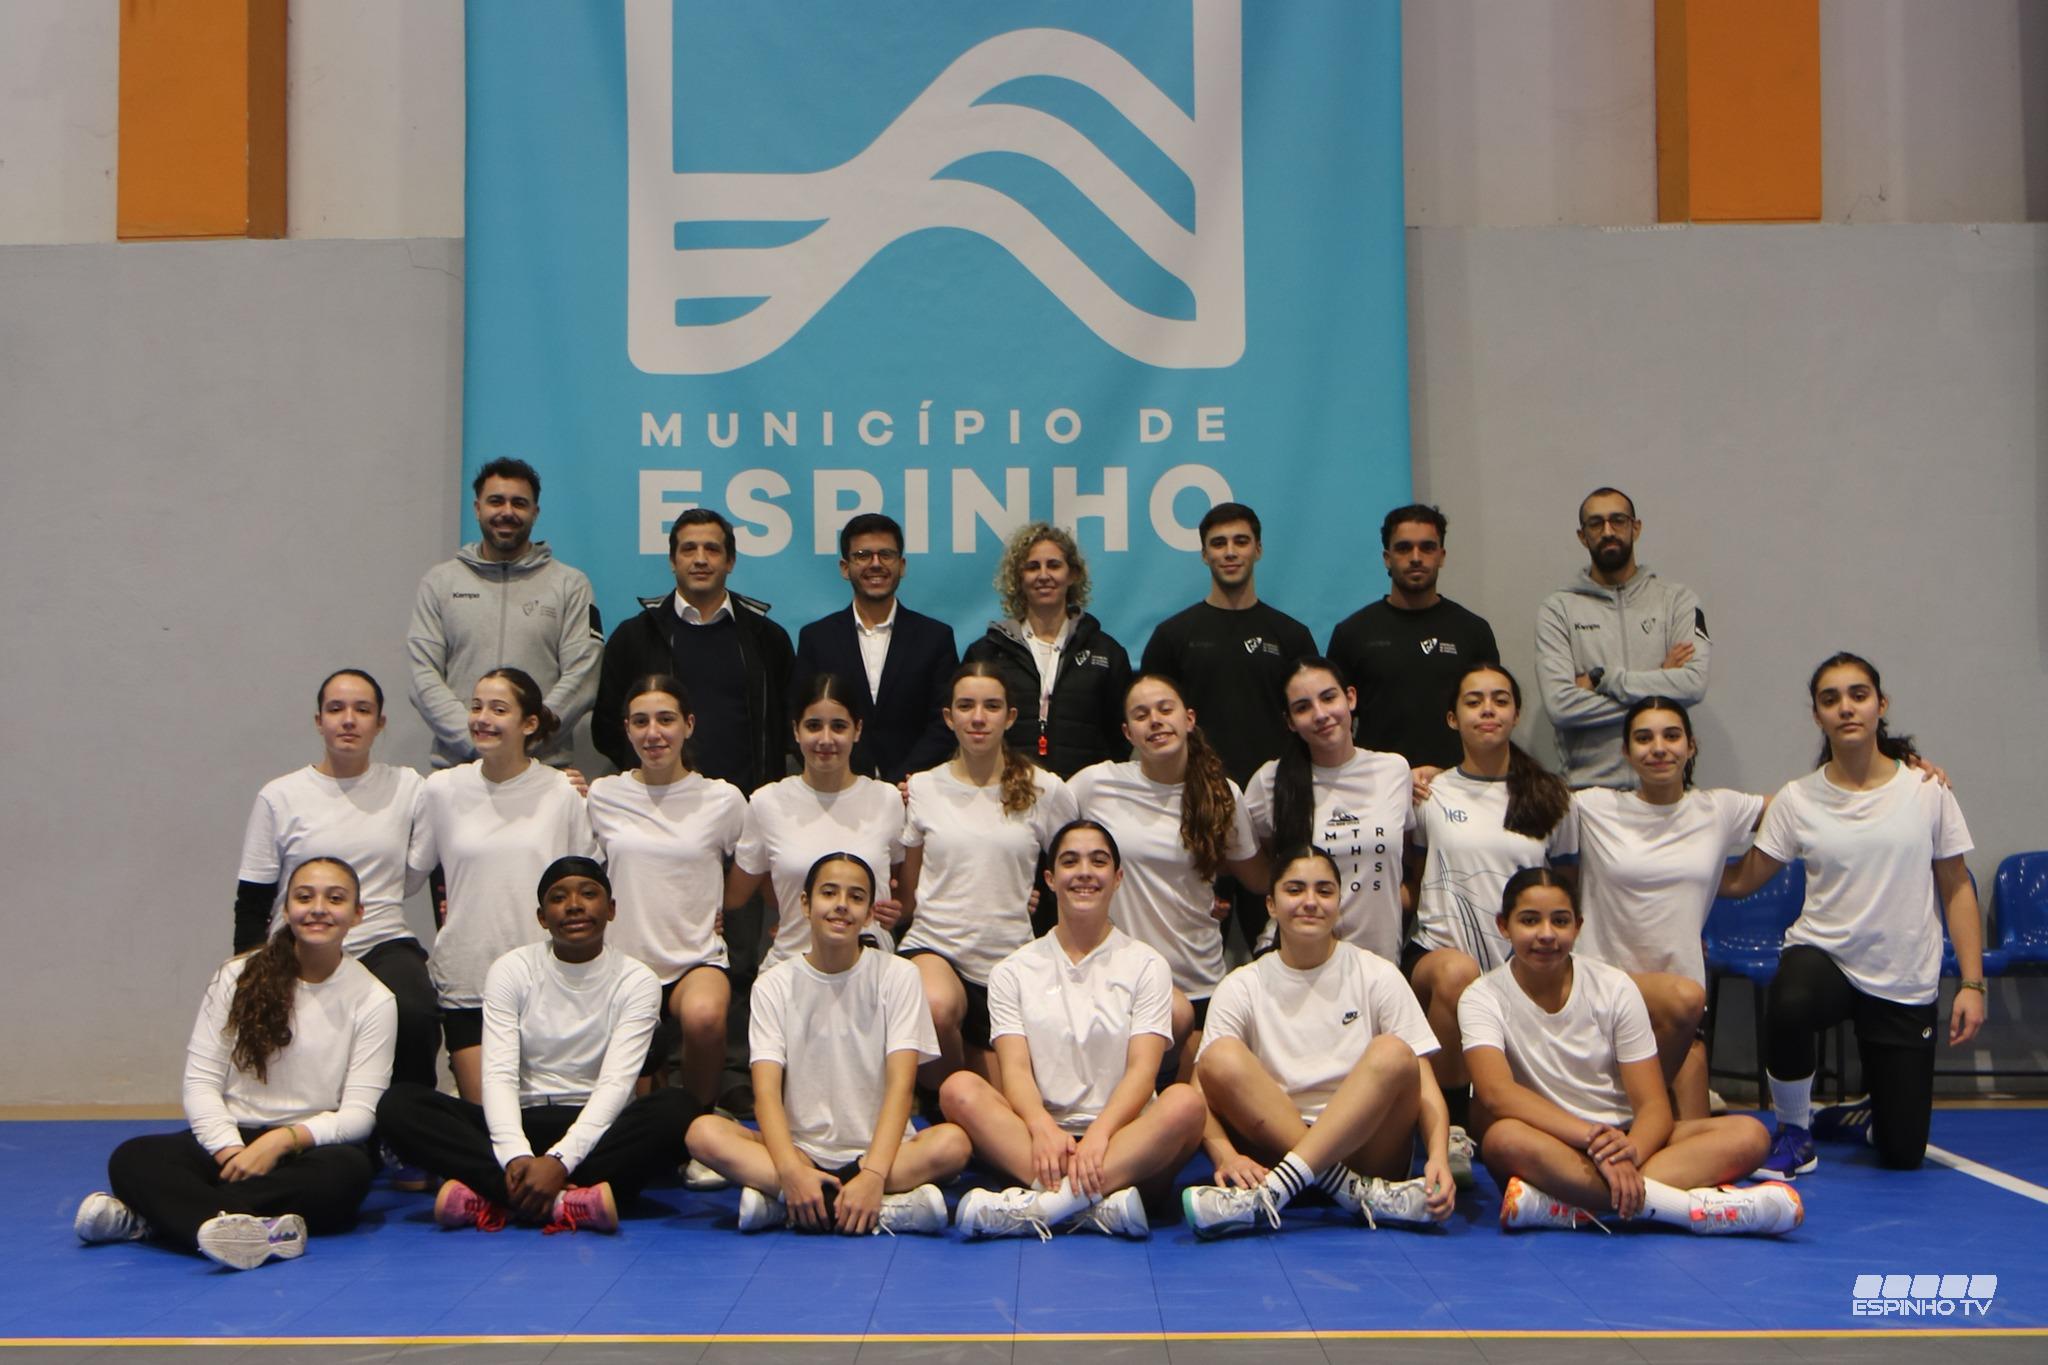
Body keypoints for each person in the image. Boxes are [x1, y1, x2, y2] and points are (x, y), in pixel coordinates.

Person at [1721, 652, 1986, 1178]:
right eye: (1830, 699)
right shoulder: (1798, 798)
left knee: (1902, 1154)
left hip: (1903, 974)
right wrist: (1672, 864)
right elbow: (1743, 878)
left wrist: (1973, 985)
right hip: (1826, 956)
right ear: (1817, 715)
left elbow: (1956, 885)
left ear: (1880, 705)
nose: (1846, 707)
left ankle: (1861, 1115)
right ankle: (1795, 1132)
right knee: (1790, 1000)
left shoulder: (1927, 790)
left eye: (1858, 695)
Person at [77, 858, 396, 1270]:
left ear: (357, 914)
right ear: (286, 910)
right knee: (133, 1157)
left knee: (344, 1178)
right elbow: (201, 1083)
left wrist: (279, 1142)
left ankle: (158, 1220)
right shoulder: (237, 976)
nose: (318, 909)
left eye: (335, 899)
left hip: (306, 1147)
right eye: (304, 897)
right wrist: (230, 1151)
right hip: (229, 1140)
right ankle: (255, 1230)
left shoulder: (374, 999)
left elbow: (359, 1115)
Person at [1461, 867, 1802, 1235]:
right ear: (1503, 925)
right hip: (1555, 1141)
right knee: (1503, 1140)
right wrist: (1592, 1139)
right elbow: (1497, 1093)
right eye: (1530, 920)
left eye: (1560, 921)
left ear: (1577, 926)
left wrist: (1629, 1152)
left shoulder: (1614, 987)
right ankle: (1688, 1209)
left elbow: (1653, 1106)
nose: (1546, 934)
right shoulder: (1482, 996)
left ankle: (1573, 1207)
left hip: (1623, 1140)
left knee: (1750, 1135)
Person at [377, 858, 699, 1234]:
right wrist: (515, 1154)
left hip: (599, 1130)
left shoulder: (637, 980)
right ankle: (562, 1201)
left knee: (678, 1108)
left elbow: (616, 1084)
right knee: (399, 1106)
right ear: (542, 918)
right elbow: (498, 1075)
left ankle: (498, 1195)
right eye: (558, 898)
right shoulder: (511, 969)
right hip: (523, 1121)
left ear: (611, 909)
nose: (574, 905)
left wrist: (559, 1161)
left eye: (588, 894)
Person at [940, 821, 1209, 1239]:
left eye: (1098, 862)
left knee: (1185, 1103)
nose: (1084, 872)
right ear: (1050, 879)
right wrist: (1042, 1127)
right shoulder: (1013, 970)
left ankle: (1048, 1207)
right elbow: (1015, 1070)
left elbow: (1143, 1071)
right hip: (1044, 1144)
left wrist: (1101, 1134)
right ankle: (1098, 1207)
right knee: (958, 1088)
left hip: (1125, 1139)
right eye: (1070, 862)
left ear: (1117, 878)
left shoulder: (1147, 965)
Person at [686, 853, 968, 1234]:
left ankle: (796, 1204)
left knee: (953, 1144)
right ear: (805, 904)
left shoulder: (899, 976)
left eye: (856, 897)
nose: (841, 905)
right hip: (801, 1152)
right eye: (829, 893)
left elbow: (901, 1087)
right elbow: (766, 1093)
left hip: (883, 1153)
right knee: (703, 1133)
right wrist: (790, 1169)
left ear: (869, 914)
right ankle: (863, 1204)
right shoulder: (773, 984)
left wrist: (873, 1173)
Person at [1182, 848, 1453, 1238]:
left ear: (1339, 904)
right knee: (1219, 1056)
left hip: (1368, 1152)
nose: (1310, 901)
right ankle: (1349, 1191)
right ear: (1271, 905)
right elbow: (1199, 1093)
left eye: (1324, 891)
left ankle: (1271, 1195)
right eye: (1295, 890)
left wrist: (1439, 1155)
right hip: (1272, 1151)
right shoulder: (1241, 984)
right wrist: (1226, 1155)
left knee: (1395, 1052)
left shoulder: (1378, 974)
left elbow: (1424, 1083)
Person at [1405, 663, 1575, 1172]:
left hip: (1523, 962)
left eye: (1500, 700)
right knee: (1458, 973)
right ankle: (1450, 1125)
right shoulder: (1428, 792)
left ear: (1516, 714)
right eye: (1474, 701)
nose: (1488, 710)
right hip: (1438, 956)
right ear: (1453, 718)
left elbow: (1567, 887)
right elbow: (1415, 874)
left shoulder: (1551, 797)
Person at [235, 669, 436, 1090]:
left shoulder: (409, 788)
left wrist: (557, 780)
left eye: (362, 710)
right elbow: (253, 898)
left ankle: (407, 1118)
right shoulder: (280, 795)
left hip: (382, 940)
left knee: (415, 1013)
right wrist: (247, 972)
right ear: (319, 721)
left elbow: (418, 871)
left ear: (380, 723)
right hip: (299, 944)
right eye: (336, 709)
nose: (348, 720)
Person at [410, 667, 595, 1102]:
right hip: (467, 973)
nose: (482, 719)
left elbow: (588, 883)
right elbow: (408, 873)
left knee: (542, 1111)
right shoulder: (441, 789)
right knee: (486, 1116)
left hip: (546, 976)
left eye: (498, 709)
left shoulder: (562, 791)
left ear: (528, 723)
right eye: (476, 707)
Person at [1572, 698, 1760, 1120]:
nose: (1658, 748)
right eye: (1644, 738)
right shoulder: (1593, 807)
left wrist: (1898, 769)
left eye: (1671, 736)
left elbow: (1803, 807)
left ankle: (1632, 1122)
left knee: (1712, 1137)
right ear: (1626, 752)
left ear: (1691, 746)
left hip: (1680, 1007)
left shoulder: (1719, 809)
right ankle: (1632, 1117)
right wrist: (1433, 779)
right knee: (1656, 1112)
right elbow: (1511, 799)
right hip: (1604, 991)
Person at [1069, 675, 1266, 1073]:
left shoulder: (1223, 794)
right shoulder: (1095, 784)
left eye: (1165, 709)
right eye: (1141, 715)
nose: (1155, 720)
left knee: (1192, 1102)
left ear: (1188, 719)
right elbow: (1040, 838)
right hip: (1117, 984)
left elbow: (1258, 879)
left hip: (1200, 980)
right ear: (1128, 732)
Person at [1140, 502, 1313, 946]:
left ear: (1258, 549)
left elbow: (1311, 724)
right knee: (1189, 948)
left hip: (1273, 812)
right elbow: (1148, 725)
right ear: (1204, 554)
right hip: (1196, 813)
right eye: (1218, 544)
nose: (1230, 552)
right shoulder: (1173, 637)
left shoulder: (1290, 636)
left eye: (1240, 541)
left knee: (1283, 947)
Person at [898, 663, 1078, 1089]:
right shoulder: (922, 788)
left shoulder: (1045, 789)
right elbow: (908, 888)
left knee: (1013, 1098)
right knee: (935, 1005)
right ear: (949, 717)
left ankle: (968, 1092)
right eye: (966, 706)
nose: (978, 718)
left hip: (1010, 960)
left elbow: (1075, 865)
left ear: (1010, 717)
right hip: (936, 948)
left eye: (991, 706)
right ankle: (944, 1099)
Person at [585, 675, 746, 1108]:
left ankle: (697, 1115)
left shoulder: (723, 799)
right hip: (623, 961)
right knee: (636, 1101)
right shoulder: (602, 795)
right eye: (641, 721)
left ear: (688, 725)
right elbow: (579, 872)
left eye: (666, 719)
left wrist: (723, 904)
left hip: (696, 958)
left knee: (705, 1017)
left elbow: (756, 865)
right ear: (627, 729)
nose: (653, 733)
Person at [408, 457, 601, 769]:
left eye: (519, 503)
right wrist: (477, 739)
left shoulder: (570, 585)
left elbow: (583, 676)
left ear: (535, 512)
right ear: (477, 508)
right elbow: (423, 676)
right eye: (496, 501)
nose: (507, 512)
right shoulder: (440, 583)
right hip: (458, 770)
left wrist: (522, 741)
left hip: (543, 769)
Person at [594, 507, 794, 794]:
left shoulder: (768, 639)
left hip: (750, 804)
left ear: (730, 561)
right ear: (672, 561)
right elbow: (607, 728)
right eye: (689, 549)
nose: (700, 559)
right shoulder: (634, 637)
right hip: (659, 805)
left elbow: (789, 727)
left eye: (712, 549)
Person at [727, 674, 907, 972]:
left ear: (857, 730)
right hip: (792, 965)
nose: (825, 739)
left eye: (838, 726)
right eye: (813, 726)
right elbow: (737, 894)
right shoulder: (766, 802)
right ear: (796, 731)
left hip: (872, 967)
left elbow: (899, 885)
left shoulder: (887, 800)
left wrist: (895, 908)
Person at [1534, 487, 1710, 789]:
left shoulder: (1677, 601)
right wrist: (1660, 691)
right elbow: (1560, 706)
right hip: (1588, 793)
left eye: (1618, 520)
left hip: (1665, 793)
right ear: (1582, 536)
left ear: (1635, 528)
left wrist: (1604, 679)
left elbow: (1693, 685)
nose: (1608, 531)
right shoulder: (1558, 609)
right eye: (1596, 523)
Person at [1242, 658, 1412, 965]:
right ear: (1290, 721)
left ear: (1350, 698)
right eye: (1303, 707)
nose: (1320, 714)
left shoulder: (1394, 770)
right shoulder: (1269, 781)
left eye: (1329, 698)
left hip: (1379, 962)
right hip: (1295, 961)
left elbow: (1410, 857)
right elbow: (1260, 866)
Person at [1325, 504, 1499, 770]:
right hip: (1376, 783)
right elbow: (1336, 723)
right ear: (1387, 557)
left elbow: (1490, 715)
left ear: (1441, 555)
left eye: (1427, 547)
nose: (1416, 558)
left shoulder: (1473, 631)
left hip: (1457, 782)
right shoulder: (1352, 633)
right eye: (1404, 548)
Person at [791, 512, 958, 783]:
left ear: (902, 565)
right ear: (845, 567)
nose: (876, 564)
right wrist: (848, 780)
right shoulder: (817, 638)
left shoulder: (935, 637)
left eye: (886, 555)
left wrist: (904, 780)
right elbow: (800, 716)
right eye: (863, 555)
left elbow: (946, 721)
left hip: (916, 788)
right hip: (839, 787)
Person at [963, 521, 1131, 778]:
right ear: (1019, 578)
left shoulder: (1107, 653)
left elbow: (1122, 736)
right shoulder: (987, 652)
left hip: (1085, 793)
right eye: (1032, 567)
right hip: (1007, 787)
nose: (1043, 575)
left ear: (1072, 574)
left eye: (1053, 565)